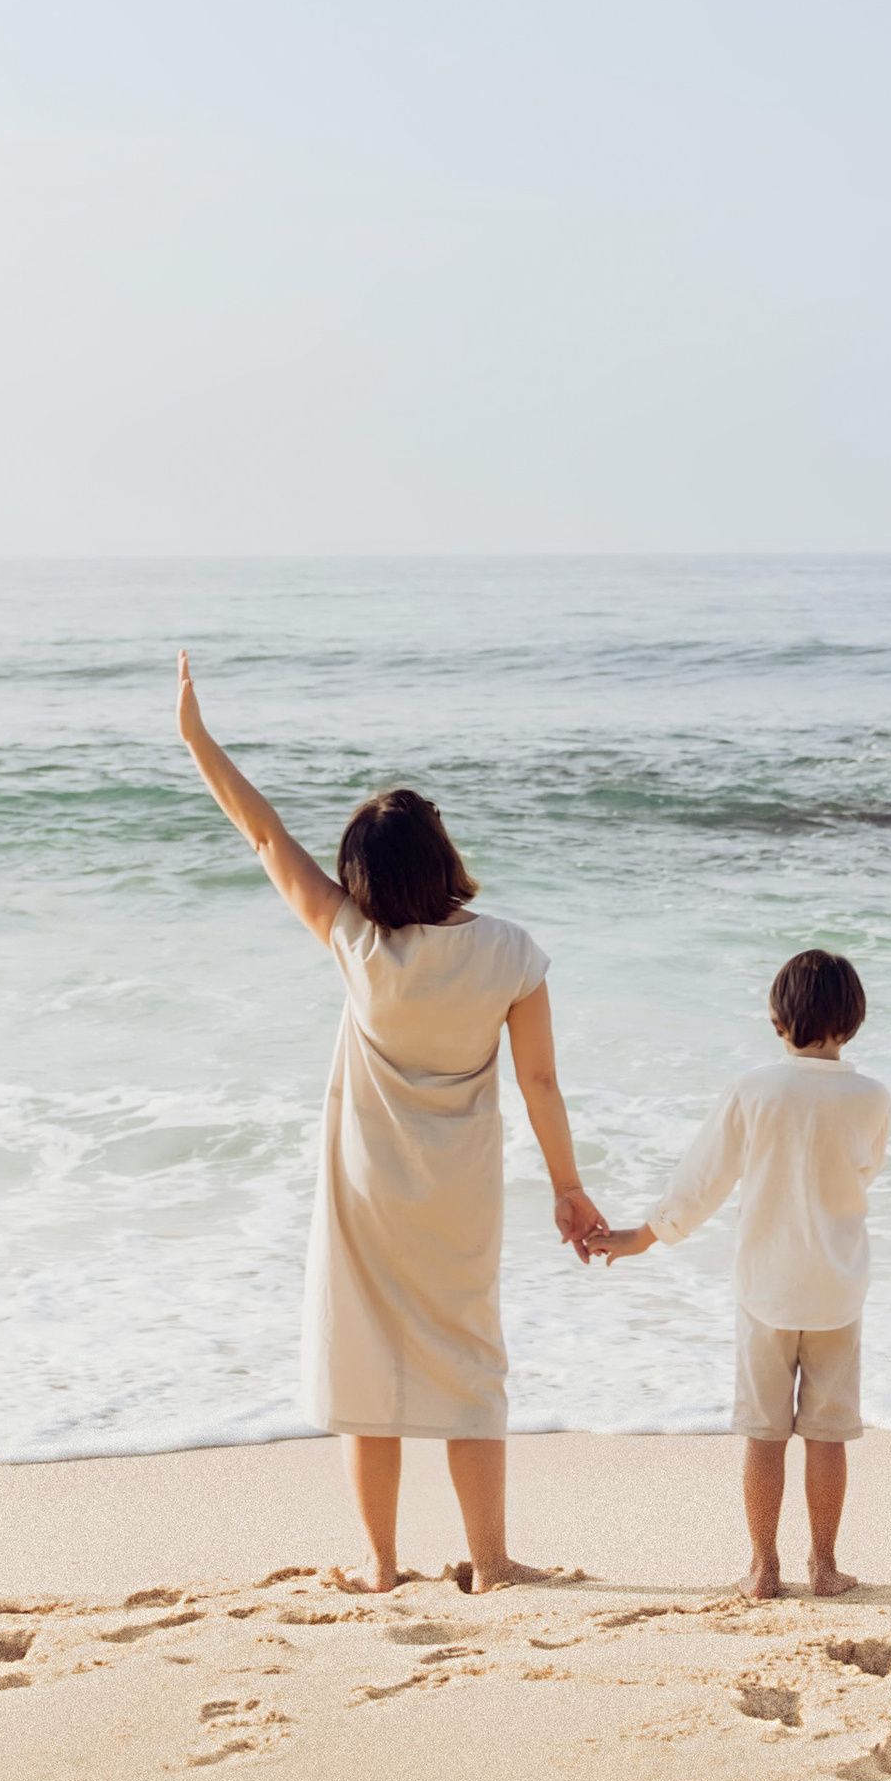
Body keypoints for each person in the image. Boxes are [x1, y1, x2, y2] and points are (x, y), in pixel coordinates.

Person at [175, 652, 606, 1594]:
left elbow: (261, 834)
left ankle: (379, 1566)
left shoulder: (357, 944)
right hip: (461, 1195)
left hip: (366, 1191)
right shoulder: (512, 955)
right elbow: (540, 1085)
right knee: (470, 1364)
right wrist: (570, 1190)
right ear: (444, 857)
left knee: (367, 1366)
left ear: (361, 874)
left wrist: (197, 741)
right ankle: (490, 1560)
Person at [588, 949, 889, 1600]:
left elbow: (703, 1181)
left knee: (764, 1432)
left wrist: (647, 1235)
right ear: (854, 1021)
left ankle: (762, 1567)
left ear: (778, 1021)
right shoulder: (871, 1097)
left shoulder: (754, 1089)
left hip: (766, 1287)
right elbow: (864, 1173)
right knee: (827, 1435)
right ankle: (826, 1565)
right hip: (837, 1288)